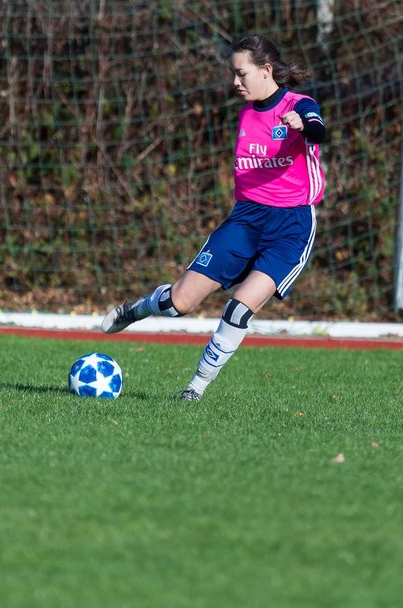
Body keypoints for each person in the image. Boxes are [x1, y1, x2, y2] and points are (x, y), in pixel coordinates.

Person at [101, 34, 327, 401]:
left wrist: (304, 126)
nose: (235, 83)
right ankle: (136, 310)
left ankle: (195, 388)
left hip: (291, 226)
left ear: (266, 70)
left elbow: (318, 128)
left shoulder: (299, 105)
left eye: (241, 74)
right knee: (179, 303)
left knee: (239, 307)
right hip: (245, 220)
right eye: (233, 74)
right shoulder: (248, 113)